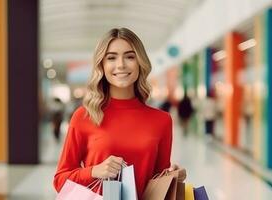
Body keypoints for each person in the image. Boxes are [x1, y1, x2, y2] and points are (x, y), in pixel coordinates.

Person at [53, 28, 185, 199]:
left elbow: (157, 180)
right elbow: (60, 180)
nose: (121, 64)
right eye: (111, 57)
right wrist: (94, 171)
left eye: (130, 56)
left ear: (140, 62)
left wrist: (173, 176)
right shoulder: (84, 116)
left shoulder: (162, 120)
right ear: (102, 65)